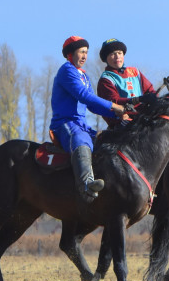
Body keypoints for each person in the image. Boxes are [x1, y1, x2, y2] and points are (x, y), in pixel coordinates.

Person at [50, 36, 125, 202]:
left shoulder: (84, 76)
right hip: (66, 124)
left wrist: (118, 115)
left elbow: (92, 105)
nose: (85, 56)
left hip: (82, 124)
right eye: (81, 52)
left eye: (86, 52)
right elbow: (83, 96)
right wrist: (114, 106)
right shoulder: (67, 71)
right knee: (81, 138)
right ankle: (86, 185)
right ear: (71, 54)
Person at [96, 38, 157, 128]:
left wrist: (154, 98)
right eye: (112, 54)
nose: (117, 57)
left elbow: (150, 91)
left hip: (143, 116)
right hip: (121, 122)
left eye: (120, 53)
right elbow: (113, 101)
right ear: (106, 58)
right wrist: (138, 99)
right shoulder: (106, 79)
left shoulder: (135, 72)